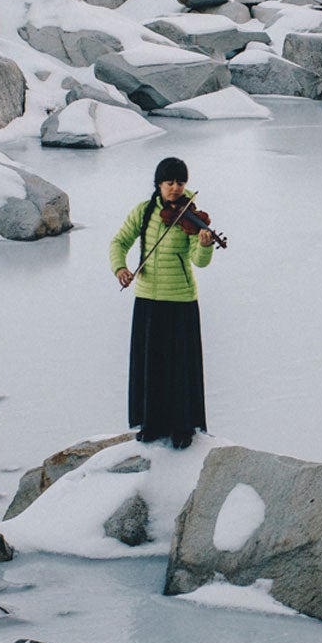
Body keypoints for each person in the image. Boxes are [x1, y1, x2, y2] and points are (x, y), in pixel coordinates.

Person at [111, 156, 217, 447]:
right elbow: (119, 242)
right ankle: (152, 424)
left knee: (180, 367)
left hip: (181, 299)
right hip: (147, 298)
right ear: (158, 184)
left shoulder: (192, 217)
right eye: (169, 182)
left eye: (180, 182)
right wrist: (120, 267)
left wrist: (206, 245)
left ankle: (183, 428)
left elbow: (199, 260)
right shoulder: (143, 212)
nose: (175, 188)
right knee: (151, 365)